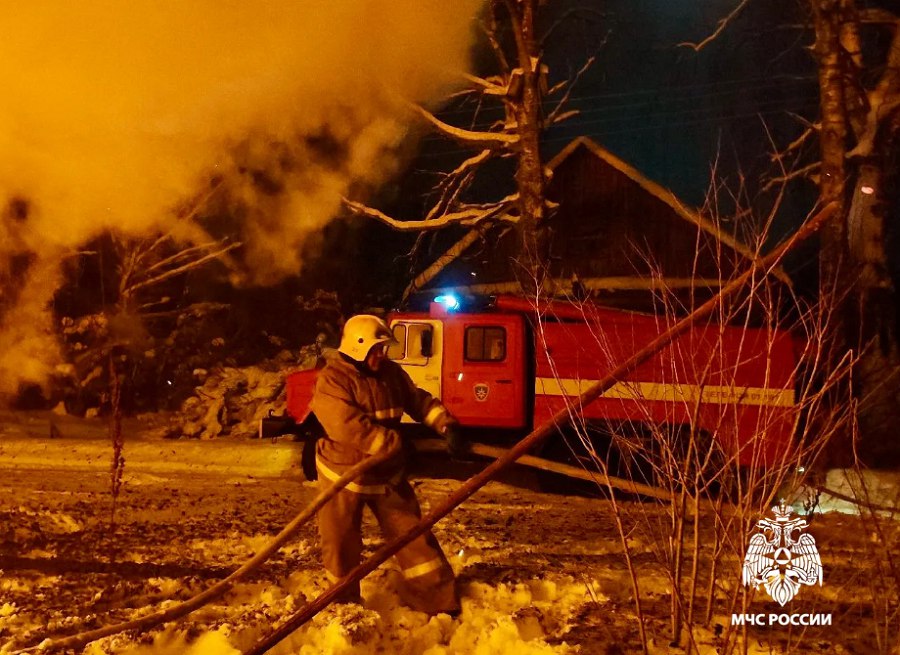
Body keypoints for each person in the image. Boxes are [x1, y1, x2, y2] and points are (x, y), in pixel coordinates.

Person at [309, 314, 467, 615]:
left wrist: (446, 426)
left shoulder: (391, 374)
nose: (382, 355)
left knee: (415, 540)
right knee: (340, 545)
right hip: (343, 474)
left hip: (386, 475)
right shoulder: (332, 380)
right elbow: (349, 427)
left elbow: (417, 400)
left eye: (383, 349)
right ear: (357, 348)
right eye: (376, 349)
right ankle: (342, 608)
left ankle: (437, 601)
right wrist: (396, 444)